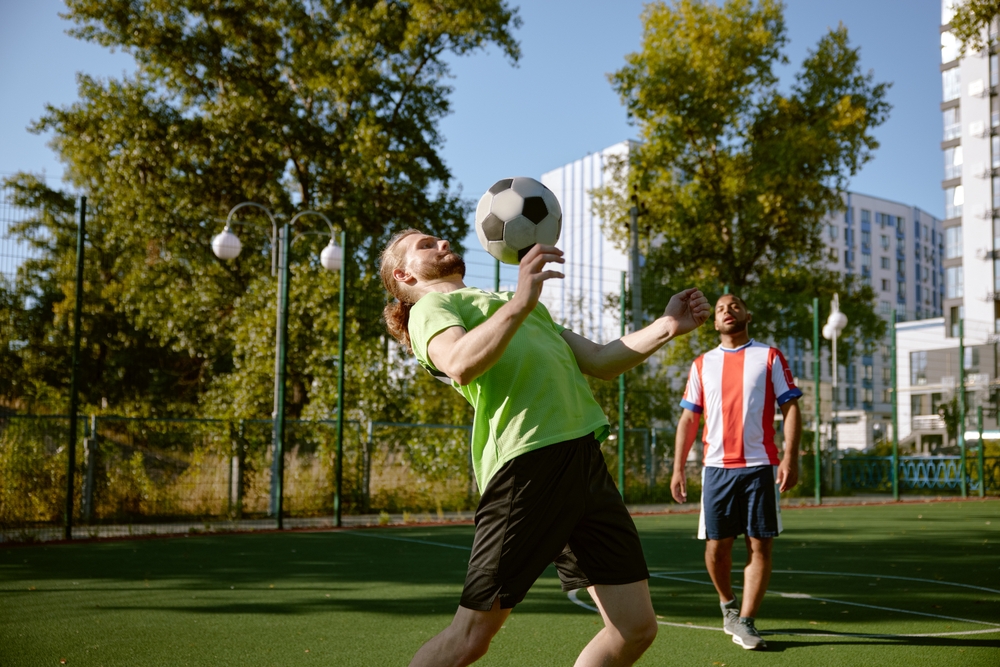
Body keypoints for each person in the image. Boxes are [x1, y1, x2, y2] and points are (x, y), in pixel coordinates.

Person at [379, 229, 709, 667]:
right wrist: (519, 302)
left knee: (635, 628)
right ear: (404, 275)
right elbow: (458, 363)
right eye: (425, 245)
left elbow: (600, 360)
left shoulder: (510, 303)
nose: (440, 243)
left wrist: (668, 325)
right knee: (472, 636)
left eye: (439, 239)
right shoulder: (432, 308)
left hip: (584, 461)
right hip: (527, 467)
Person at [670, 294, 802, 651]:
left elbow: (790, 408)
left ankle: (746, 620)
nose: (727, 311)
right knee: (717, 548)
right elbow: (688, 418)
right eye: (720, 309)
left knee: (760, 545)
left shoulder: (770, 357)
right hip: (717, 471)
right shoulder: (702, 364)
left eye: (734, 306)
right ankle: (728, 605)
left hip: (761, 468)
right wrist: (678, 467)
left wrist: (791, 457)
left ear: (748, 314)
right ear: (714, 323)